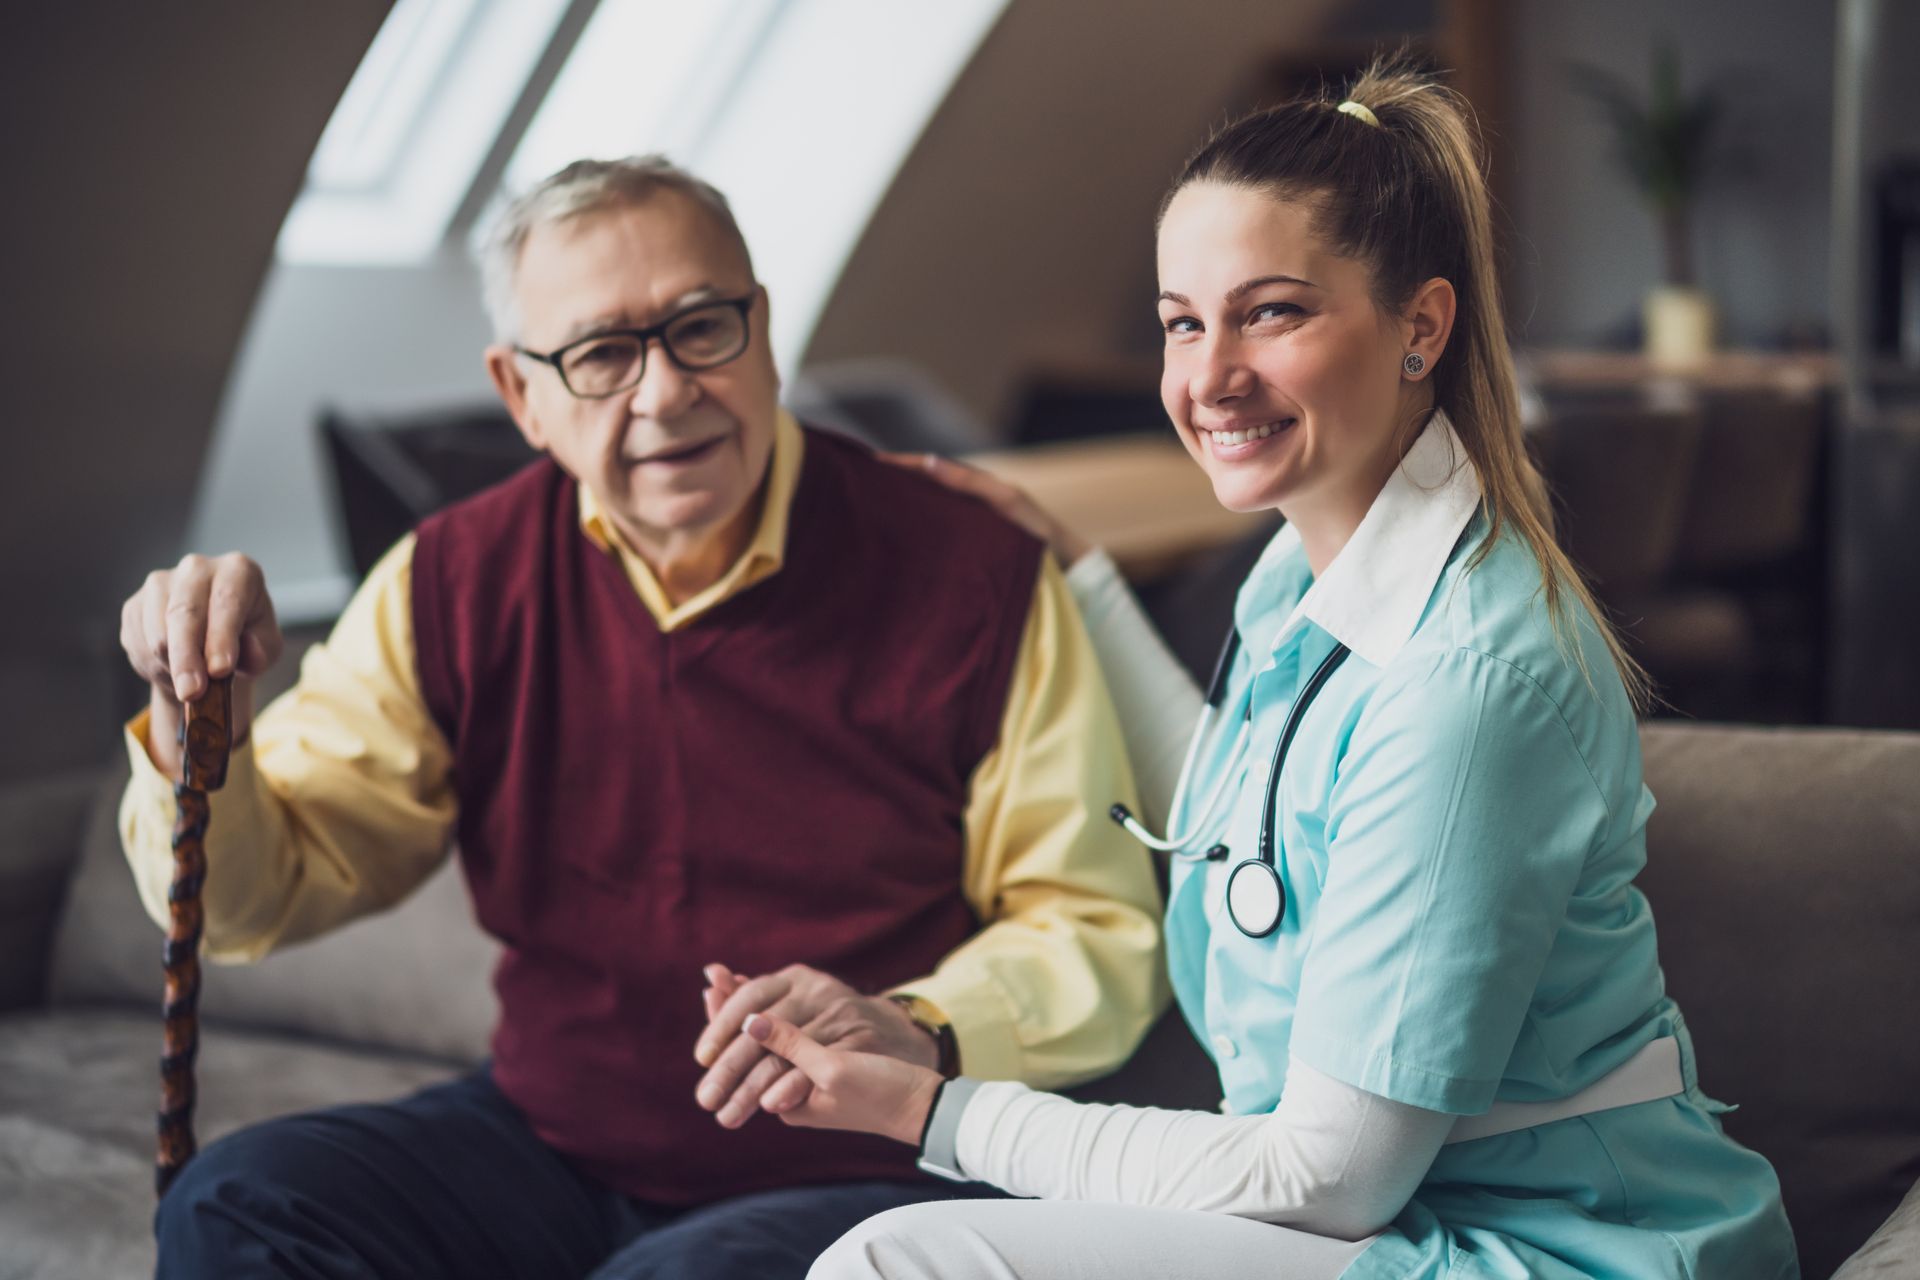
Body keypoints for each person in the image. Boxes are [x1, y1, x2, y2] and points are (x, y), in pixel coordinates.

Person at [736, 61, 1801, 1280]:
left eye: (1274, 312)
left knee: (894, 1261)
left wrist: (932, 1106)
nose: (1209, 375)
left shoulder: (1465, 681)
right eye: (1183, 321)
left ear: (1422, 326)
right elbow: (1265, 824)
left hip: (1554, 1250)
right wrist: (1084, 580)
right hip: (1392, 1218)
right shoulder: (1299, 571)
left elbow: (1324, 1180)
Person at [115, 156, 1166, 1280]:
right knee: (241, 1202)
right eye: (603, 353)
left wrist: (912, 1024)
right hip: (550, 1140)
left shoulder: (973, 570)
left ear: (761, 331)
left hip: (866, 1165)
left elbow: (1095, 924)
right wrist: (195, 725)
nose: (664, 392)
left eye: (701, 327)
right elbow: (251, 896)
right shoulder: (450, 581)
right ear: (522, 394)